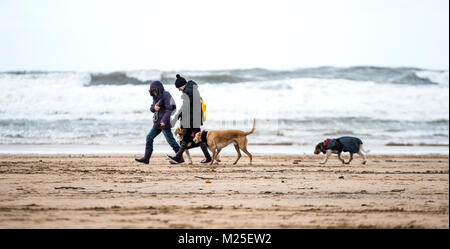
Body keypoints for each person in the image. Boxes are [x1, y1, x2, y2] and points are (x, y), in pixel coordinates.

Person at [167, 74, 211, 164]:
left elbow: (186, 106)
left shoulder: (189, 91)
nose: (178, 90)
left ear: (181, 85)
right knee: (187, 138)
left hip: (193, 119)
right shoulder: (190, 89)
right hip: (193, 118)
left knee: (196, 138)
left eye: (178, 88)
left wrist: (179, 116)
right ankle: (178, 157)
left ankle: (208, 158)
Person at [135, 81, 180, 164]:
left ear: (159, 89)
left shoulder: (167, 95)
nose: (154, 93)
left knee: (170, 140)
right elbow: (152, 107)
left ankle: (179, 157)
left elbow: (169, 109)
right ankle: (146, 158)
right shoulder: (155, 97)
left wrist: (163, 120)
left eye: (155, 91)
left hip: (164, 123)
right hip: (157, 123)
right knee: (149, 137)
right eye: (152, 92)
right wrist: (154, 108)